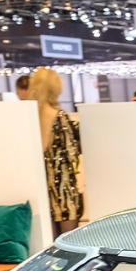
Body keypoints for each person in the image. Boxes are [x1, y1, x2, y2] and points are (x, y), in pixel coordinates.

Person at [26, 67, 83, 237]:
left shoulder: (29, 117)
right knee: (70, 243)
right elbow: (71, 153)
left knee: (48, 243)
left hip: (41, 190)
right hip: (64, 190)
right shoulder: (59, 116)